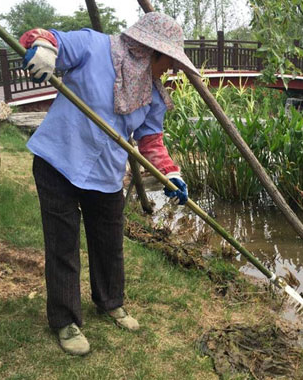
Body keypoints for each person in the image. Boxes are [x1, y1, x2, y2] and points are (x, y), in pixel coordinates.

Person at [19, 12, 199, 356]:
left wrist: (171, 174)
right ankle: (66, 321)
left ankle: (110, 302)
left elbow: (151, 142)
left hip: (105, 174)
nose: (170, 70)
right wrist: (41, 49)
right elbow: (43, 36)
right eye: (169, 61)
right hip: (58, 160)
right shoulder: (93, 46)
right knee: (63, 244)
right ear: (149, 50)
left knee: (109, 241)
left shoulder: (154, 95)